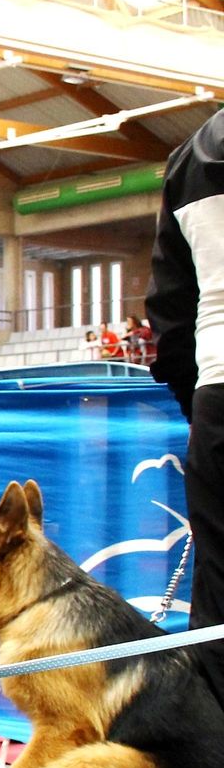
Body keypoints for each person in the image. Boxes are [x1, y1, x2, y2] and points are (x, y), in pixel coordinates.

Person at [149, 107, 224, 706]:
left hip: (218, 395)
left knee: (219, 598)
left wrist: (198, 407)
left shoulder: (191, 154)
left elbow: (170, 311)